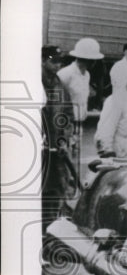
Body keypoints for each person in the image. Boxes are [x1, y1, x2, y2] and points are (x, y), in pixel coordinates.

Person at [41, 45, 77, 230]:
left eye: (58, 62)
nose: (56, 65)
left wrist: (64, 139)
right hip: (39, 151)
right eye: (52, 61)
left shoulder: (59, 85)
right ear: (42, 61)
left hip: (57, 152)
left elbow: (68, 115)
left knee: (55, 191)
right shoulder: (35, 83)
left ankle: (48, 229)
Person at [57, 37, 104, 133]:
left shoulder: (87, 75)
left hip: (79, 123)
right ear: (87, 59)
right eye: (93, 60)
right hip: (66, 123)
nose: (95, 63)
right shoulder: (65, 74)